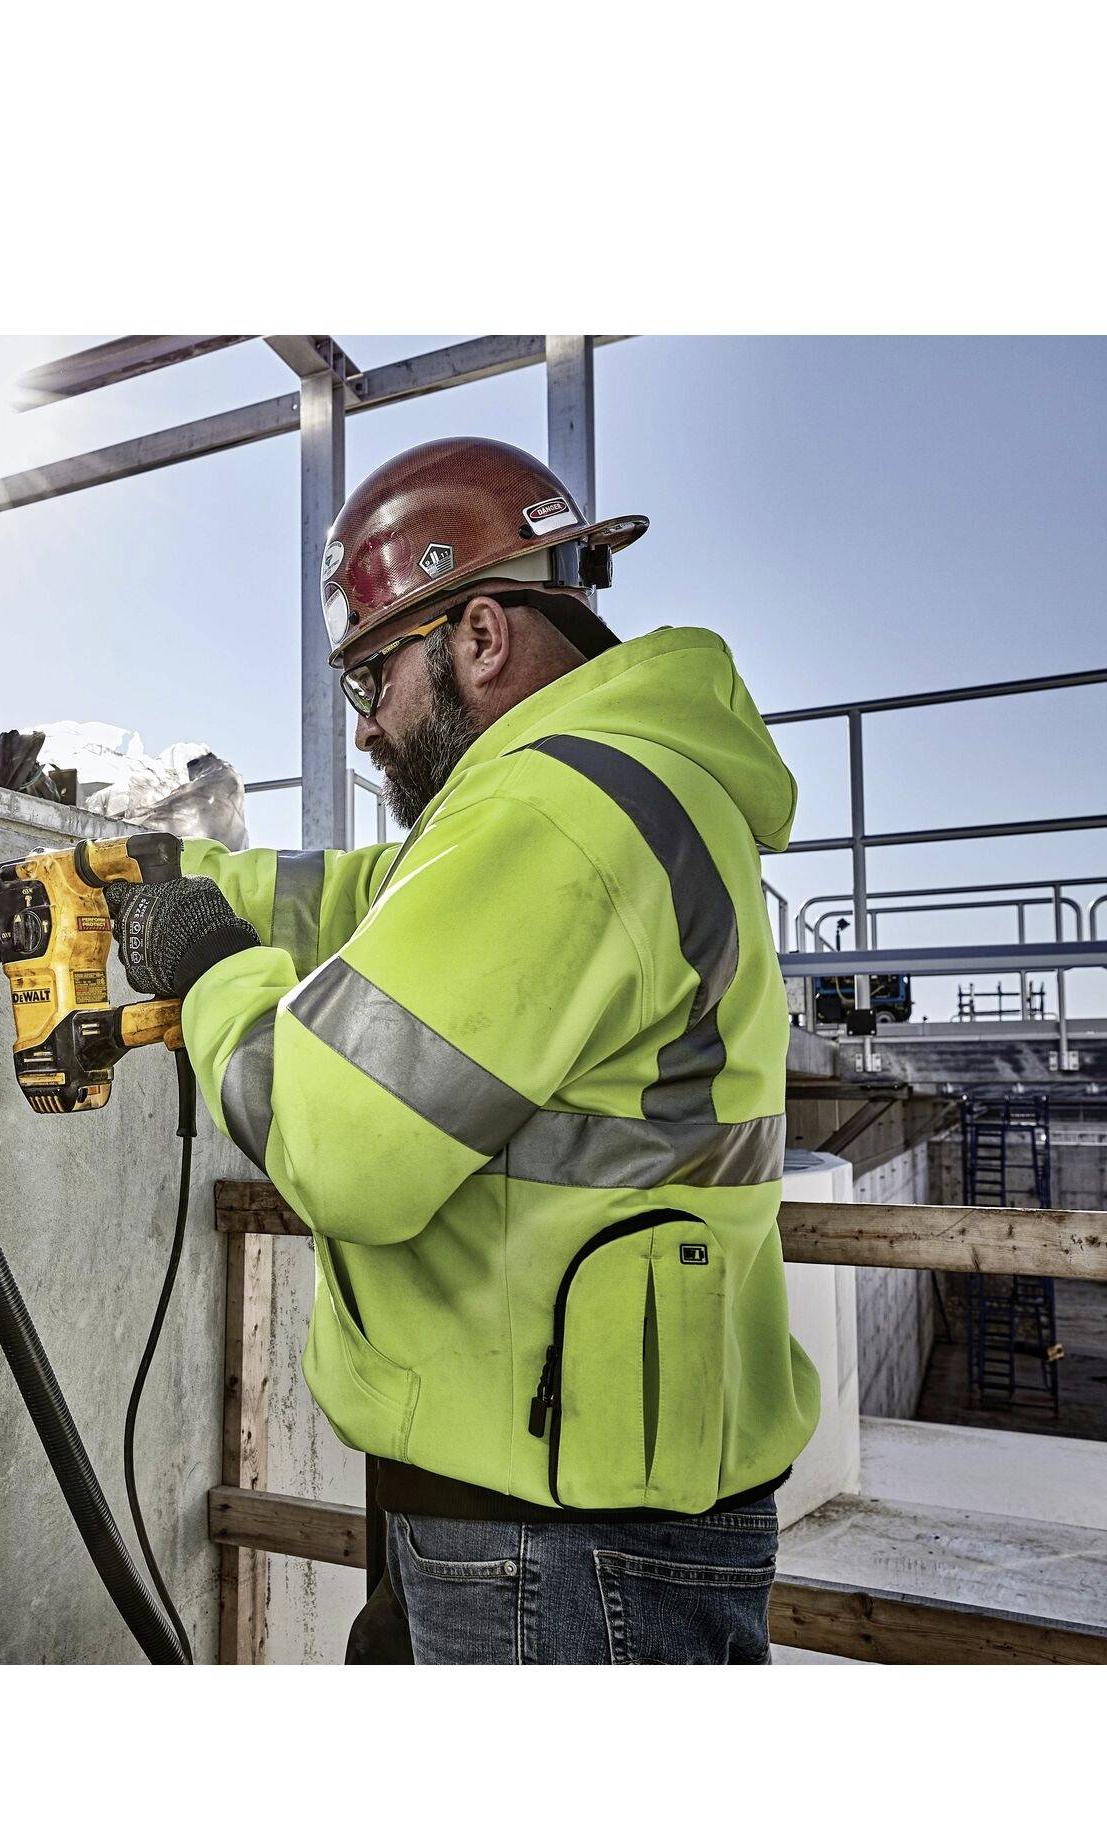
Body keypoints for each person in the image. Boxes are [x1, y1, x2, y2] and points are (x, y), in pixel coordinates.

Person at [108, 437, 819, 1664]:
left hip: (558, 1535)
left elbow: (339, 1145)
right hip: (562, 1475)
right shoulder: (600, 788)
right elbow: (360, 896)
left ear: (477, 636)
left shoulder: (556, 813)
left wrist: (207, 960)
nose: (368, 726)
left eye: (372, 677)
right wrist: (155, 870)